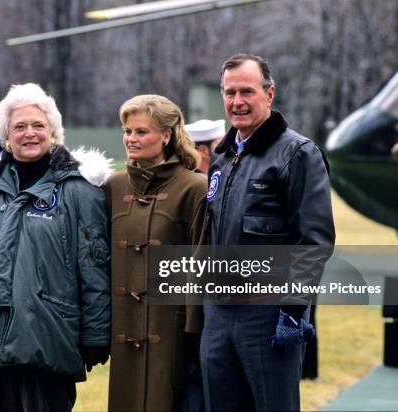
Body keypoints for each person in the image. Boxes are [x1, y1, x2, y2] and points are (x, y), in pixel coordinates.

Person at [0, 83, 112, 412]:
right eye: (19, 126)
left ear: (53, 131)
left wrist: (96, 335)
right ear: (6, 134)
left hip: (51, 338)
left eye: (38, 125)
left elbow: (95, 266)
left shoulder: (80, 190)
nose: (29, 133)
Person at [201, 53, 336, 411]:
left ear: (269, 93)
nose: (237, 102)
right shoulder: (222, 156)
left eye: (247, 91)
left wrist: (292, 311)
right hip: (218, 315)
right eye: (229, 93)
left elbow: (315, 242)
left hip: (268, 317)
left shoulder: (297, 153)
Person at [104, 94, 208, 411]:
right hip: (123, 331)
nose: (132, 139)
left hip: (171, 335)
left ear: (166, 135)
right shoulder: (113, 187)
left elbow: (201, 263)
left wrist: (193, 336)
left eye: (141, 132)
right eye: (128, 131)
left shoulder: (194, 188)